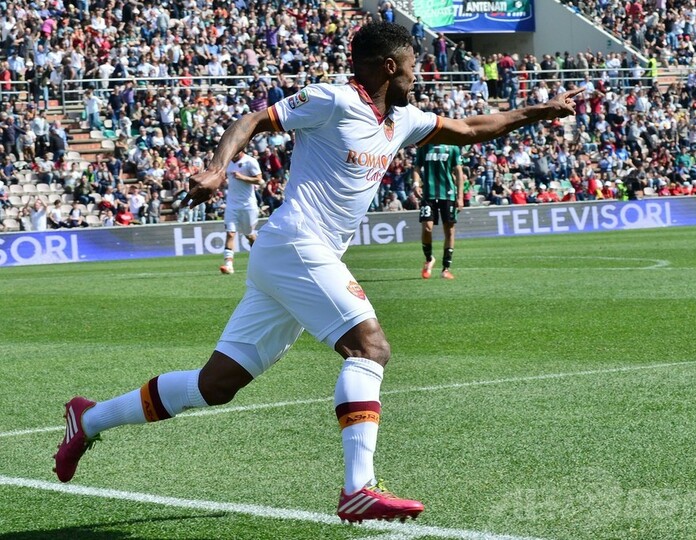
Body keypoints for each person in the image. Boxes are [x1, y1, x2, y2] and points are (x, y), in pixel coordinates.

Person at [53, 22, 580, 524]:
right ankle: (358, 489)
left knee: (215, 385)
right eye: (411, 67)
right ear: (389, 65)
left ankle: (89, 418)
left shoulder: (401, 120)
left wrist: (539, 110)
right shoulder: (333, 100)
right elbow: (253, 121)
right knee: (369, 347)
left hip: (298, 257)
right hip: (296, 243)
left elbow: (469, 129)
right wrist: (216, 169)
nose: (416, 77)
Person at [412, 141, 464, 280]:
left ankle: (446, 269)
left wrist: (460, 197)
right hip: (428, 194)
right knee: (427, 228)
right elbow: (417, 167)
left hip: (448, 194)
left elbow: (459, 172)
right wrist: (416, 184)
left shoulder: (453, 146)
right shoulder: (424, 146)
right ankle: (429, 259)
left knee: (449, 230)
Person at [220, 150, 262, 274]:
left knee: (249, 235)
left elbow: (259, 180)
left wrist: (242, 177)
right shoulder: (228, 162)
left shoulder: (250, 161)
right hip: (231, 205)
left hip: (248, 205)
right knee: (230, 233)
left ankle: (262, 258)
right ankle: (228, 265)